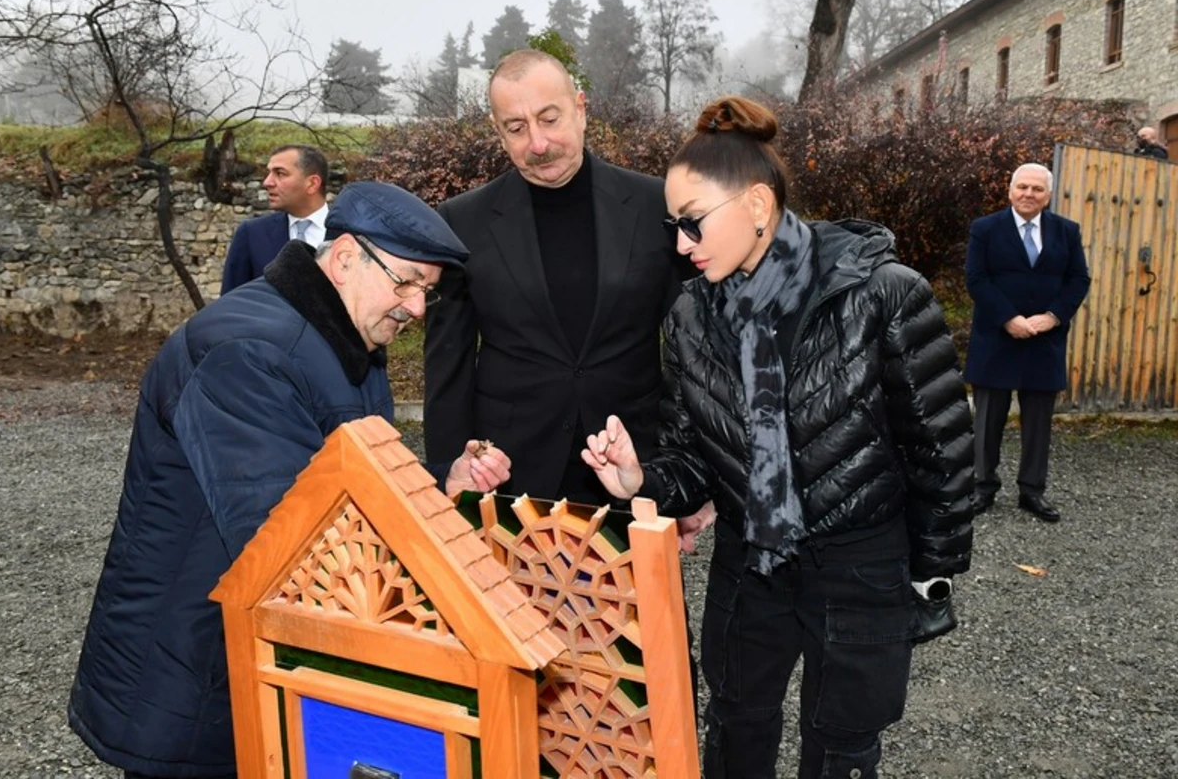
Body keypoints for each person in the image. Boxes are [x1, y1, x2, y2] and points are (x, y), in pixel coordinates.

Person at [582, 96, 975, 779]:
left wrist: (929, 576)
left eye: (693, 223)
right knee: (735, 724)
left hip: (858, 564)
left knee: (843, 746)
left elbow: (939, 449)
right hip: (749, 563)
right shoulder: (690, 315)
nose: (681, 244)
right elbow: (693, 452)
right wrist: (640, 478)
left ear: (759, 206)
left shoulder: (882, 294)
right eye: (673, 226)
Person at [68, 181, 512, 779]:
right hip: (191, 685)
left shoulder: (343, 336)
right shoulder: (245, 350)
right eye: (405, 281)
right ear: (347, 256)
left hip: (249, 668)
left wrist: (440, 483)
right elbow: (289, 540)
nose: (414, 306)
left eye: (426, 292)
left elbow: (350, 485)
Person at [424, 49, 693, 506]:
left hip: (632, 468)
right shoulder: (460, 223)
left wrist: (687, 481)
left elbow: (692, 354)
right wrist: (450, 481)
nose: (538, 143)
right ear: (498, 132)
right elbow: (446, 370)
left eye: (550, 119)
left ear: (581, 109)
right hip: (507, 477)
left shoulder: (656, 207)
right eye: (516, 128)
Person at [965, 163, 1091, 523]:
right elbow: (976, 278)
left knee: (1038, 423)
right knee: (988, 420)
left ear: (1048, 196)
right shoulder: (985, 229)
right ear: (1010, 191)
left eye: (1037, 189)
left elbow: (1078, 279)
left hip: (1044, 340)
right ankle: (982, 486)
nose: (1028, 194)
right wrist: (1008, 318)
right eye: (1022, 187)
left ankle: (1032, 491)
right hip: (996, 337)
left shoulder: (1067, 232)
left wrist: (1053, 316)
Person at [221, 144, 330, 294]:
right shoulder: (252, 234)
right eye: (269, 173)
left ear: (312, 183)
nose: (267, 182)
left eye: (280, 173)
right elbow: (230, 304)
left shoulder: (351, 235)